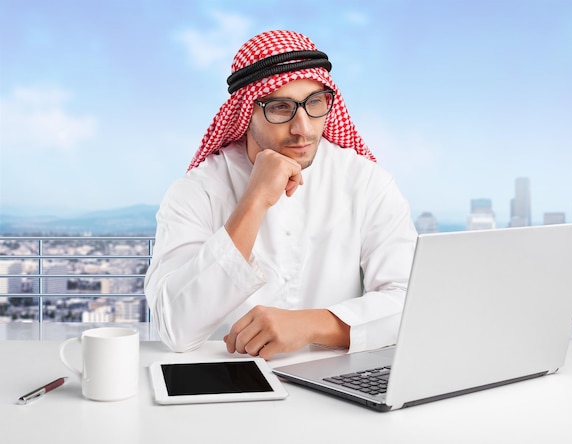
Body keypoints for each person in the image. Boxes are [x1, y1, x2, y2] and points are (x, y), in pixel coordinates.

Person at [145, 30, 417, 359]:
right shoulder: (196, 191)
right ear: (247, 111)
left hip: (338, 387)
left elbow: (411, 300)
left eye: (315, 102)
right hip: (224, 383)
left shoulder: (366, 181)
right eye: (280, 107)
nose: (303, 127)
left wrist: (312, 325)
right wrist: (254, 200)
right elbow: (176, 329)